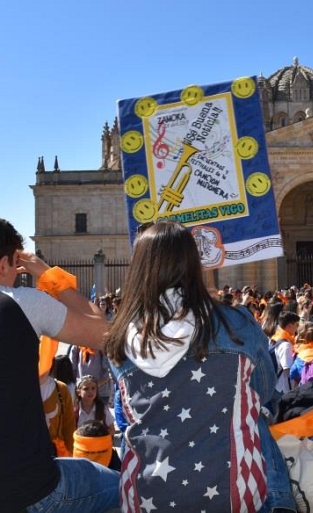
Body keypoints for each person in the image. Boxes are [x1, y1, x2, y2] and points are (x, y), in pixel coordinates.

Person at [104, 221, 294, 512]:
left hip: (145, 497)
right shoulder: (238, 323)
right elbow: (264, 389)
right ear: (194, 264)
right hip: (234, 496)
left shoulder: (119, 339)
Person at [0, 218, 119, 512]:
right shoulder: (21, 303)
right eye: (16, 264)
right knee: (129, 486)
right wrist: (47, 274)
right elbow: (103, 333)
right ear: (4, 264)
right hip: (30, 490)